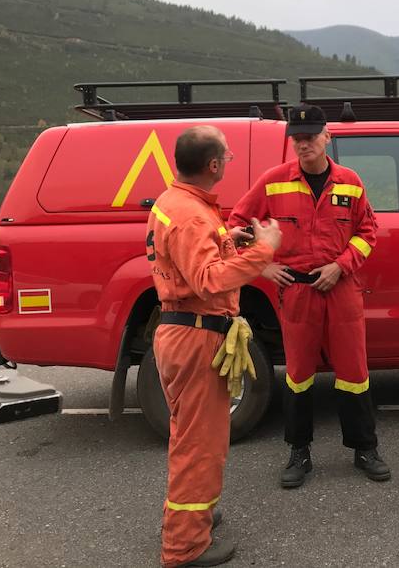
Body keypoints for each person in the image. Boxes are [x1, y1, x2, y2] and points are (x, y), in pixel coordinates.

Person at [228, 103, 389, 488]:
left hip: (342, 287)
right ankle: (299, 451)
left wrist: (341, 266)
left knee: (354, 373)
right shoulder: (273, 181)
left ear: (327, 137)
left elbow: (368, 232)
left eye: (311, 137)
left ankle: (365, 448)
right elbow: (235, 226)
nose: (303, 145)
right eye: (297, 139)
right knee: (298, 375)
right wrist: (261, 266)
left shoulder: (350, 181)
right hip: (297, 291)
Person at [146, 125, 282, 568]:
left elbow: (193, 260)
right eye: (226, 155)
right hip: (196, 333)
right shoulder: (191, 214)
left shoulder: (177, 202)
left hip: (185, 331)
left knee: (191, 437)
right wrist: (262, 252)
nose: (228, 161)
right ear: (213, 165)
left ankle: (194, 515)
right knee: (199, 445)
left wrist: (228, 242)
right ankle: (184, 547)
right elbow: (206, 279)